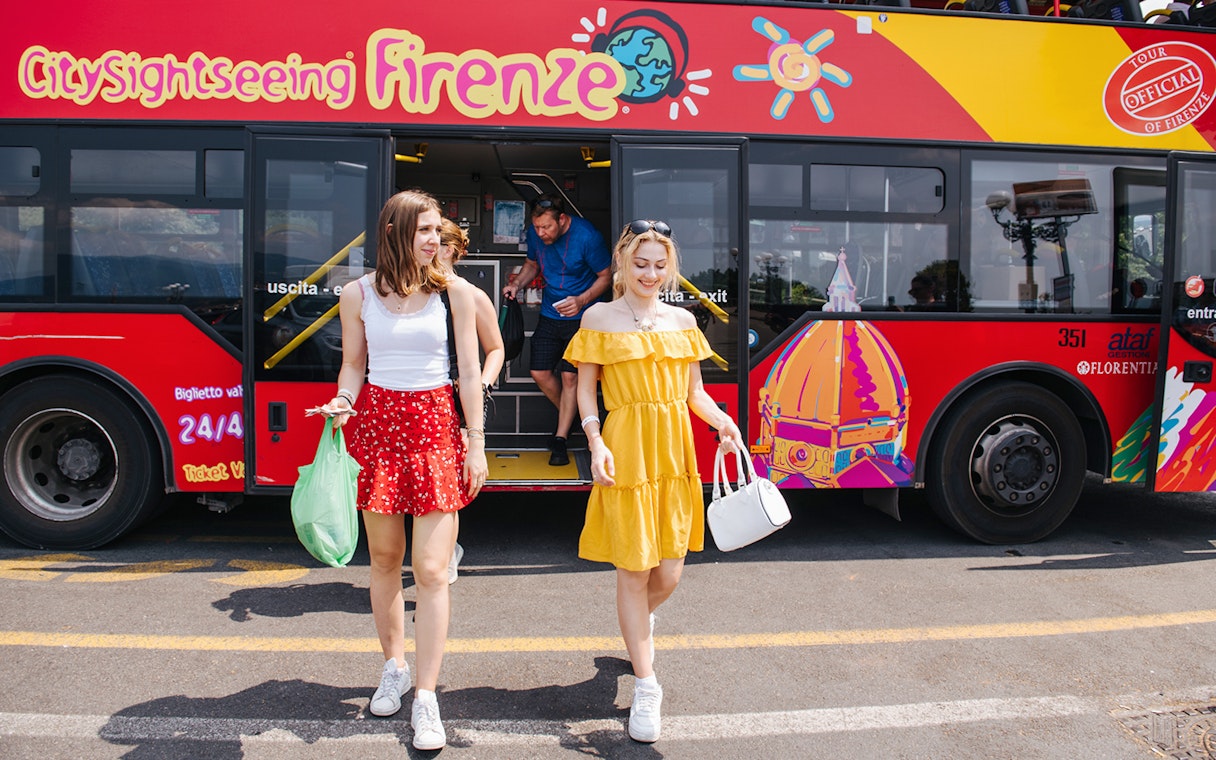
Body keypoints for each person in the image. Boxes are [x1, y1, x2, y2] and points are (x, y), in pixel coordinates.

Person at [316, 190, 487, 751]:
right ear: (394, 231)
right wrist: (343, 402)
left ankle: (427, 696)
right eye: (423, 230)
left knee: (433, 570)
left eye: (438, 229)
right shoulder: (356, 293)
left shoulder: (456, 292)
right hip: (378, 428)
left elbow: (468, 370)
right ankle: (394, 666)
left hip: (437, 426)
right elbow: (353, 365)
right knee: (386, 560)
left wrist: (476, 442)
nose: (434, 239)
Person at [563, 219, 743, 743]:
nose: (650, 273)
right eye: (640, 263)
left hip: (673, 452)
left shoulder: (683, 320)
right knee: (633, 571)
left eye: (660, 265)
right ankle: (646, 683)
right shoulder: (598, 316)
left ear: (671, 269)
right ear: (622, 263)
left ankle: (636, 625)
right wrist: (595, 442)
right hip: (625, 450)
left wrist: (724, 423)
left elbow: (695, 395)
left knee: (669, 574)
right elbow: (586, 391)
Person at [502, 194, 611, 466]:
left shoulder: (587, 236)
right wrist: (517, 285)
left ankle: (560, 439)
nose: (541, 233)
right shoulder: (536, 233)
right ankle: (576, 416)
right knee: (538, 372)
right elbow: (532, 264)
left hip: (582, 318)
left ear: (562, 220)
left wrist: (581, 300)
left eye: (546, 228)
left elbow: (606, 276)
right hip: (550, 315)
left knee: (569, 377)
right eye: (537, 228)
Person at [437, 217, 506, 585]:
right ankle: (445, 551)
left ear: (448, 250)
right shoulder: (410, 291)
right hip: (426, 393)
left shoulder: (471, 295)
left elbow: (495, 349)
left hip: (463, 393)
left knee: (453, 478)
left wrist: (480, 385)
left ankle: (447, 554)